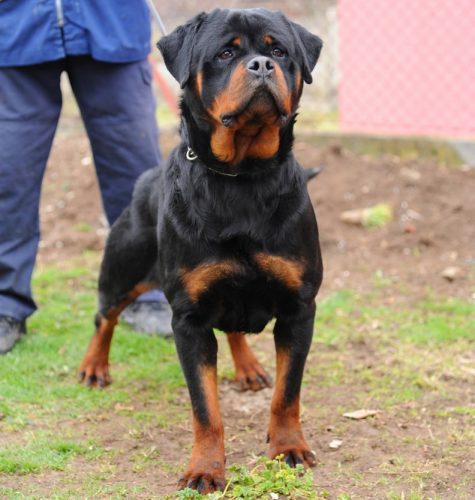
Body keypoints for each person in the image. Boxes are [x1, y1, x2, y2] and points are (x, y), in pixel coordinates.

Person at [0, 0, 173, 354]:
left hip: (113, 22)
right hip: (12, 28)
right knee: (7, 174)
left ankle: (148, 293)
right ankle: (5, 305)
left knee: (137, 177)